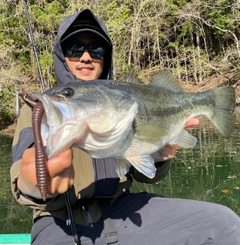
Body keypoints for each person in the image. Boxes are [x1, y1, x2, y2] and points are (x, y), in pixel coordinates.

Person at [10, 8, 240, 245]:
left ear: (105, 56)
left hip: (124, 209)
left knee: (224, 224)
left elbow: (144, 173)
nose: (86, 56)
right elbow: (22, 175)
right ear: (63, 56)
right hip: (60, 222)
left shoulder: (124, 100)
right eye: (75, 49)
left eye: (96, 49)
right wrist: (34, 184)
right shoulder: (40, 110)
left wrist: (160, 158)